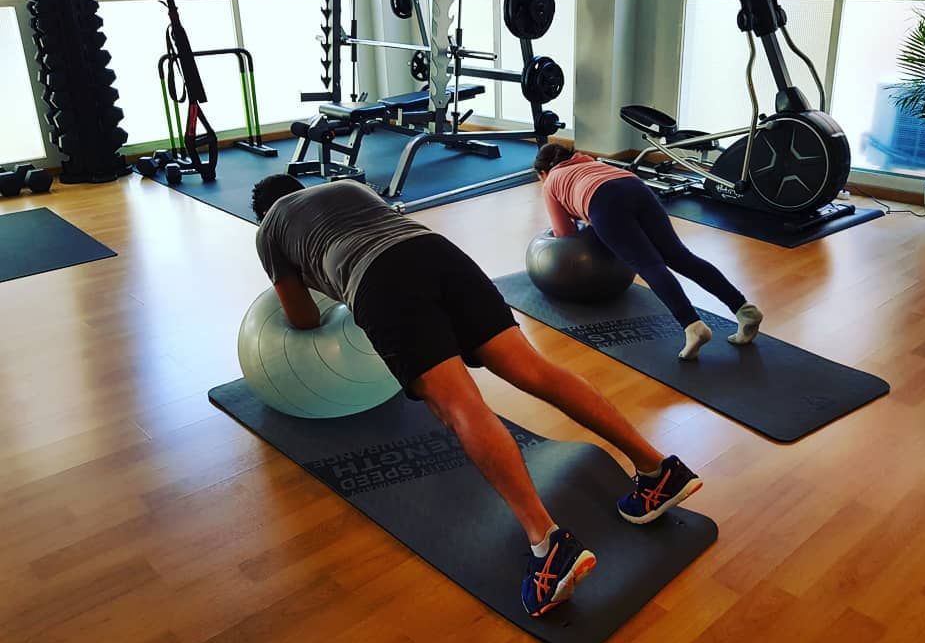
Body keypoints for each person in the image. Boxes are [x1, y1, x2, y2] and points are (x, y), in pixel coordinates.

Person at [251, 175, 702, 617]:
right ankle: (657, 468)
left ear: (263, 212)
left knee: (459, 405)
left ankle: (548, 546)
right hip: (441, 254)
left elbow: (304, 318)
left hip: (379, 279)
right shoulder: (349, 187)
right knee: (536, 370)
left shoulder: (271, 226)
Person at [535, 144, 763, 360]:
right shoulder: (590, 162)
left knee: (649, 265)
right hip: (636, 186)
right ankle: (744, 310)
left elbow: (564, 233)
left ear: (543, 172)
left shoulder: (550, 181)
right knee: (680, 256)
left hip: (603, 201)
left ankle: (692, 325)